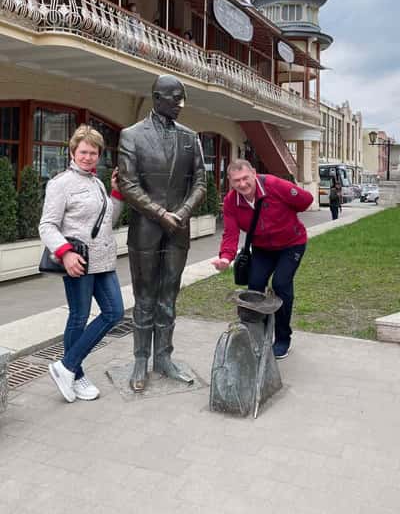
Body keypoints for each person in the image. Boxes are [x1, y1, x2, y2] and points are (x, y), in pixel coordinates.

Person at [118, 75, 206, 392]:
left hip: (178, 231)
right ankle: (140, 359)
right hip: (146, 230)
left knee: (169, 296)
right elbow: (128, 184)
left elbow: (199, 182)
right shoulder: (131, 136)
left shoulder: (189, 136)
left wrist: (180, 214)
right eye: (174, 99)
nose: (181, 105)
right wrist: (160, 214)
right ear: (157, 98)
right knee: (144, 298)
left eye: (183, 99)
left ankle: (164, 358)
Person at [39, 124, 125, 403]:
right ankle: (74, 374)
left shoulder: (97, 183)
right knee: (79, 315)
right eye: (83, 152)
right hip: (78, 260)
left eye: (93, 153)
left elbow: (106, 224)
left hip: (104, 260)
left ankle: (66, 366)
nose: (88, 157)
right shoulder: (60, 183)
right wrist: (64, 253)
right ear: (73, 152)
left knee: (114, 313)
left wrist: (116, 194)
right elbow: (47, 225)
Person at [212, 159, 313, 360]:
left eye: (245, 178)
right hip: (262, 248)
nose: (242, 184)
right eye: (236, 181)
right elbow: (230, 234)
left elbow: (306, 200)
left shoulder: (275, 185)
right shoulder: (232, 202)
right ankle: (258, 333)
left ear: (254, 174)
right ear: (230, 182)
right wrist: (225, 258)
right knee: (255, 287)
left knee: (281, 284)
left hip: (291, 243)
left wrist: (287, 214)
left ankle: (283, 338)